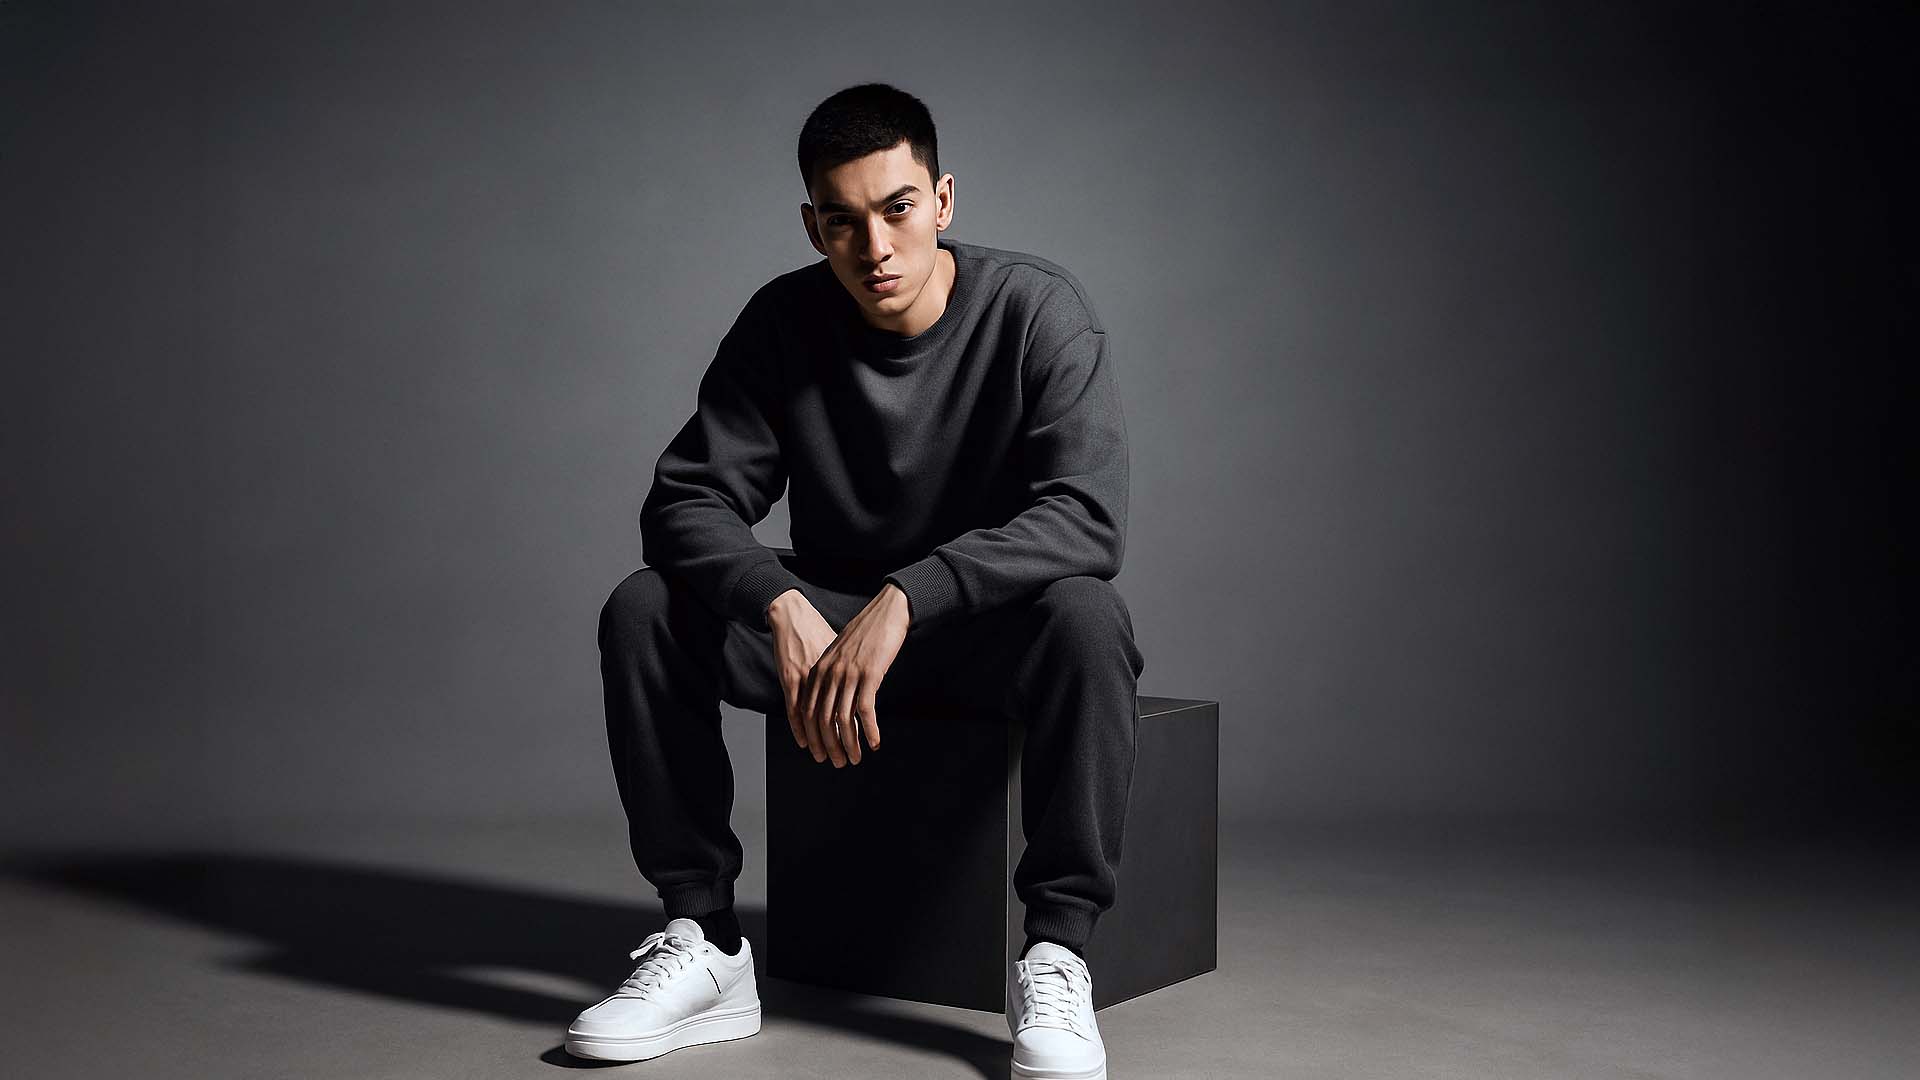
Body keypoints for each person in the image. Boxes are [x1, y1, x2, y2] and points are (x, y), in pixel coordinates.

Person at [566, 82, 1143, 1080]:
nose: (874, 247)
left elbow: (1085, 515)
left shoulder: (1038, 311)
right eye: (842, 221)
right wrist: (778, 601)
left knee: (1088, 617)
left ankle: (1057, 954)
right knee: (645, 608)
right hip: (827, 633)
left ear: (943, 200)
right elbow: (685, 501)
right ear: (813, 226)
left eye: (898, 208)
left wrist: (913, 594)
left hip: (978, 632)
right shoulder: (783, 322)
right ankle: (706, 940)